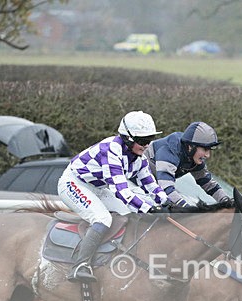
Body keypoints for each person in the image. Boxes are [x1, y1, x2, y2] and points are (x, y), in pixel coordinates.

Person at [57, 110, 168, 283]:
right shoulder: (110, 150)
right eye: (143, 141)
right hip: (73, 183)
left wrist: (166, 203)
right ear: (128, 138)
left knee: (127, 214)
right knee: (102, 219)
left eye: (150, 139)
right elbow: (122, 191)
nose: (147, 145)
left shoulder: (139, 158)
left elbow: (150, 184)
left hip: (97, 187)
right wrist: (150, 209)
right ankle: (80, 266)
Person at [144, 121, 231, 207]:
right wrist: (186, 208)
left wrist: (227, 201)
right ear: (190, 146)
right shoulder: (170, 150)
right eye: (205, 149)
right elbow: (166, 188)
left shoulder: (193, 156)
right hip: (138, 179)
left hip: (152, 183)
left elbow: (208, 184)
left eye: (209, 150)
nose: (208, 155)